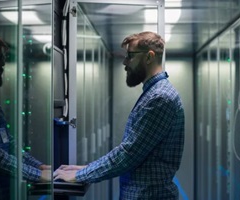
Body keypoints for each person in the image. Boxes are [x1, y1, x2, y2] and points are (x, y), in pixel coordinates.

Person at [54, 31, 185, 199]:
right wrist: (86, 169)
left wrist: (80, 175)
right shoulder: (154, 93)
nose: (125, 62)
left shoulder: (160, 98)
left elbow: (128, 155)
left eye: (130, 56)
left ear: (149, 57)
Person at [0, 33, 51, 199]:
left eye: (4, 57)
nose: (3, 63)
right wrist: (37, 175)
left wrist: (40, 167)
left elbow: (9, 145)